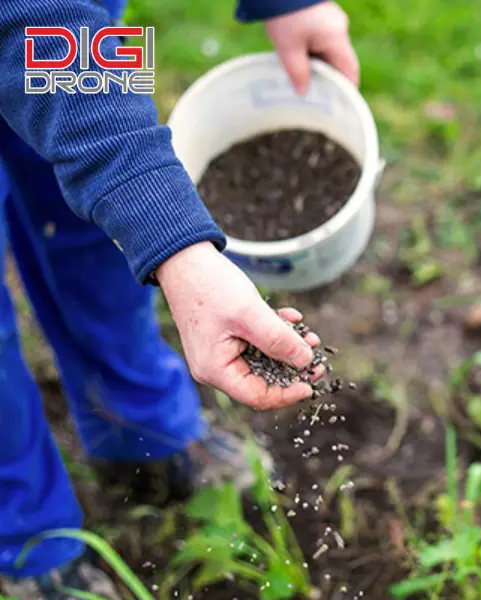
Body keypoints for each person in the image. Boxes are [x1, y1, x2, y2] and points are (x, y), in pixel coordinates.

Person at [0, 0, 359, 597]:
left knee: (93, 223)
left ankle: (142, 428)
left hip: (80, 16)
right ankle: (25, 536)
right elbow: (33, 18)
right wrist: (179, 247)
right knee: (111, 151)